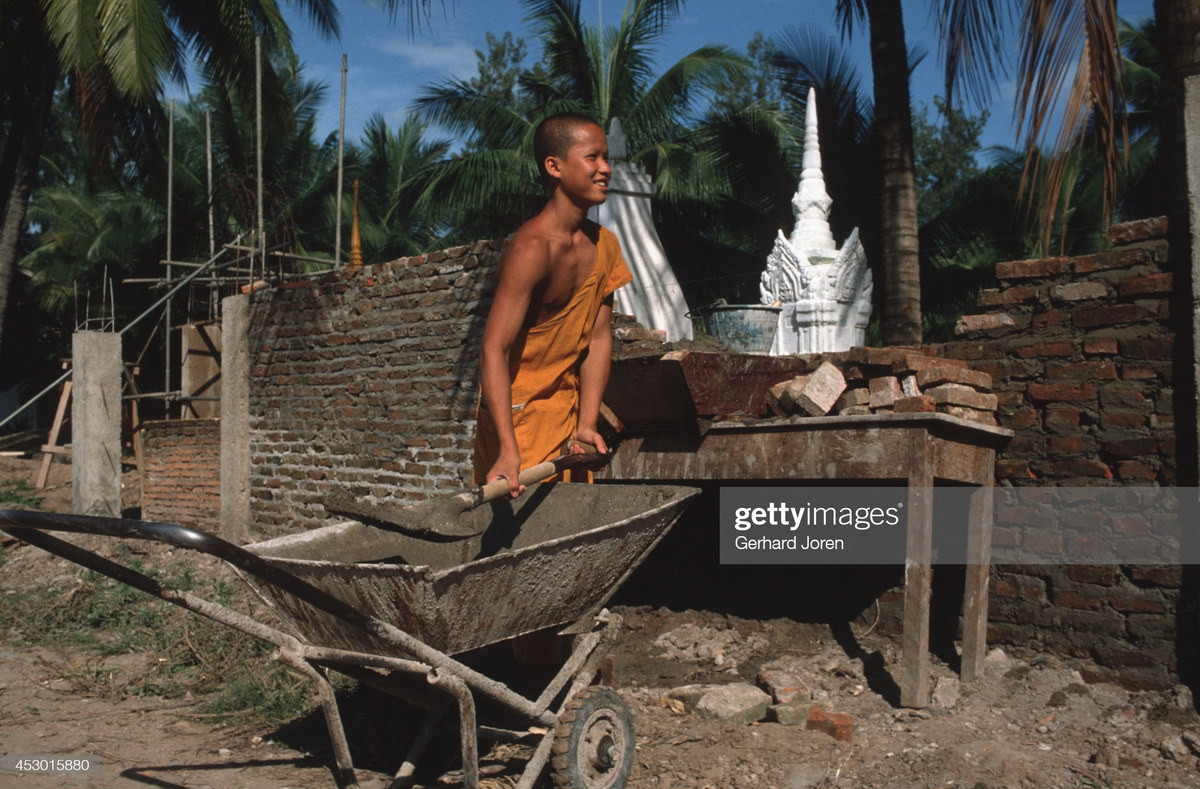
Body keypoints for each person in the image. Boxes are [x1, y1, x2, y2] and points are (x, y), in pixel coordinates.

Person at [473, 112, 632, 498]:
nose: (605, 169)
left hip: (566, 412)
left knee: (567, 520)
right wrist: (507, 448)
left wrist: (587, 423)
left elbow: (598, 339)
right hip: (517, 416)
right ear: (554, 166)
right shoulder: (532, 248)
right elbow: (494, 348)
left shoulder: (605, 245)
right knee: (517, 526)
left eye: (606, 158)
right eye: (592, 157)